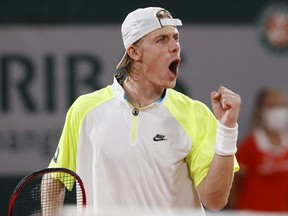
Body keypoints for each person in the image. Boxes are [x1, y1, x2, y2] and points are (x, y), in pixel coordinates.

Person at [46, 7, 241, 215]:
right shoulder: (85, 109)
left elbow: (214, 200)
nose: (175, 46)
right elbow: (56, 178)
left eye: (176, 38)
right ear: (134, 52)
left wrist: (227, 130)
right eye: (162, 40)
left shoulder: (195, 114)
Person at [228, 87, 288, 212]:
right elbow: (233, 186)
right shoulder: (249, 146)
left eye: (281, 106)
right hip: (252, 212)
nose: (278, 111)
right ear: (260, 111)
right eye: (272, 106)